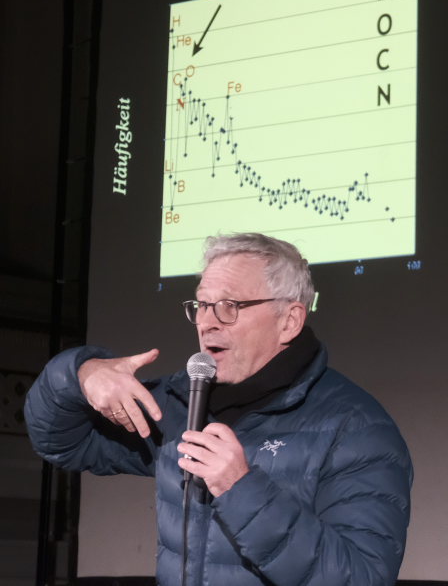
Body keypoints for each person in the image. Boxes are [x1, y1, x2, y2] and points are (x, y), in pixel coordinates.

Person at [25, 232, 412, 586]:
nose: (207, 322)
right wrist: (79, 375)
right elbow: (60, 442)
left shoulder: (356, 428)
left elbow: (364, 577)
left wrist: (241, 490)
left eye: (229, 305)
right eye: (202, 305)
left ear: (289, 321)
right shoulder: (180, 403)